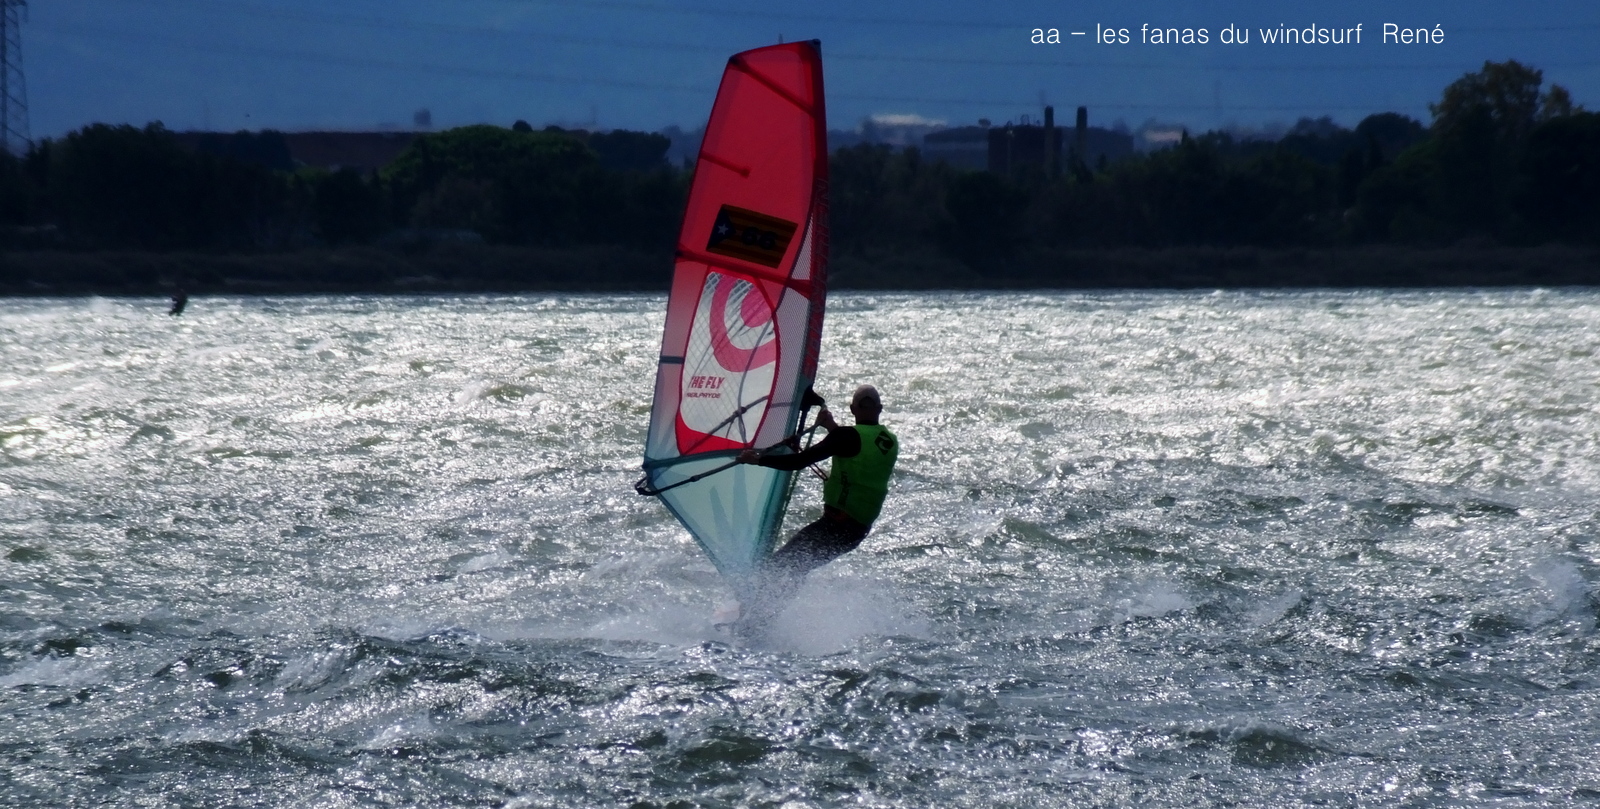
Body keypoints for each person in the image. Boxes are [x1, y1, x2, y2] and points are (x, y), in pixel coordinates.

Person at [734, 384, 899, 626]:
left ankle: (756, 619)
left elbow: (800, 461)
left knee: (777, 567)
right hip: (855, 533)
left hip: (836, 527)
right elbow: (857, 446)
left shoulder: (845, 437)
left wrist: (757, 459)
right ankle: (763, 618)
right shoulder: (889, 441)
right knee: (796, 568)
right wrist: (831, 427)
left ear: (852, 409)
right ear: (880, 409)